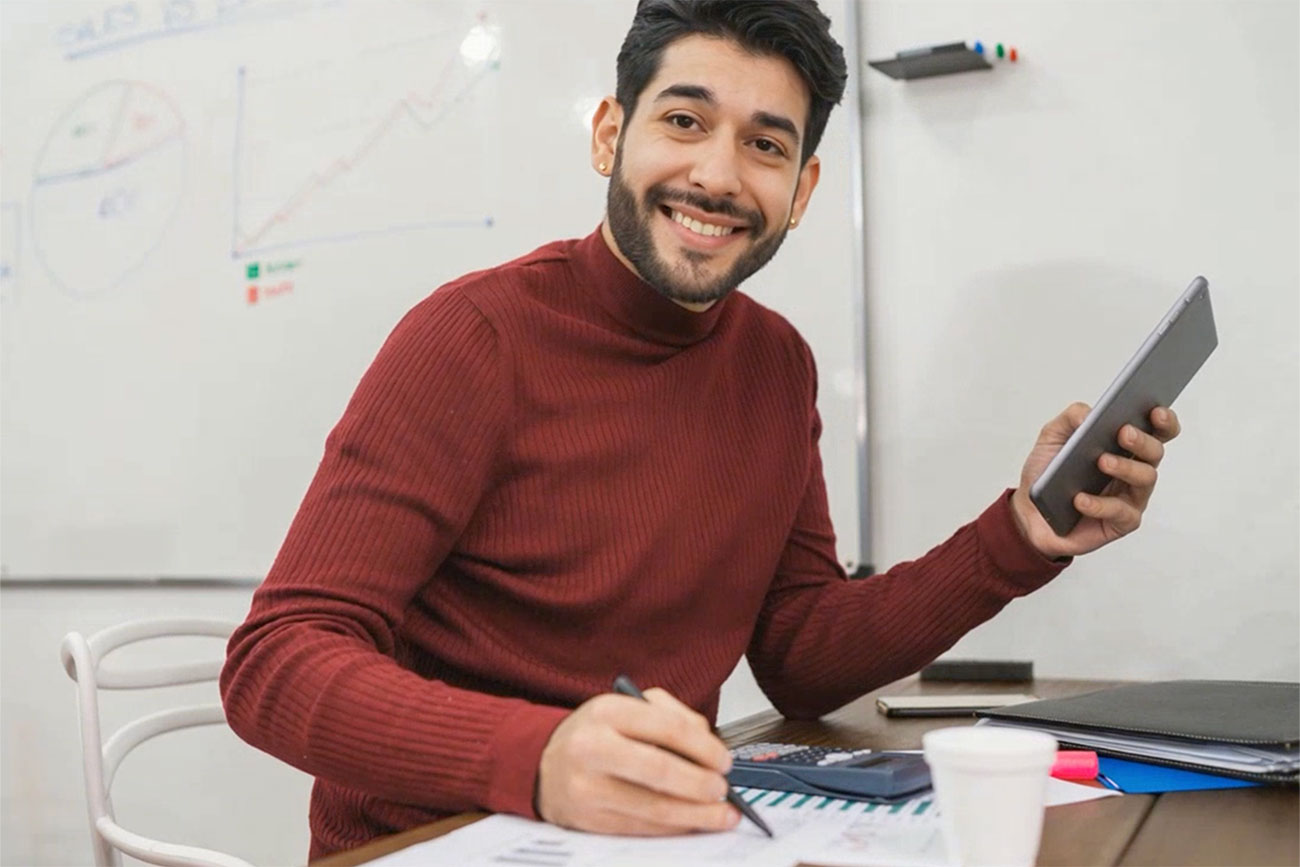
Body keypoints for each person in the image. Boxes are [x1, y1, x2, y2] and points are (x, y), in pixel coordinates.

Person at [220, 0, 1181, 858]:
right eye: (684, 121)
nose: (717, 176)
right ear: (609, 135)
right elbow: (278, 658)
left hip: (662, 838)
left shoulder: (775, 363)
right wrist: (539, 755)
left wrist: (1017, 537)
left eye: (765, 145)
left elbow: (800, 652)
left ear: (801, 193)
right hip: (443, 840)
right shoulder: (472, 337)